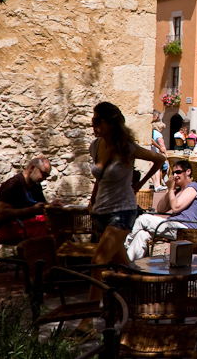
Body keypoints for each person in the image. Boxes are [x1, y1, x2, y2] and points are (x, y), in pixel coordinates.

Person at [75, 102, 164, 339]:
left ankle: (87, 323)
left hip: (123, 211)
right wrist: (92, 200)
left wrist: (139, 185)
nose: (93, 125)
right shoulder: (95, 146)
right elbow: (99, 177)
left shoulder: (128, 148)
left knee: (98, 261)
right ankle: (149, 300)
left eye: (97, 121)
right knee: (126, 266)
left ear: (110, 123)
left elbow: (159, 159)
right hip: (102, 212)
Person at [124, 160, 197, 261]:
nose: (175, 175)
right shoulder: (179, 191)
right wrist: (170, 189)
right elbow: (161, 208)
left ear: (188, 172)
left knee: (143, 219)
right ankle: (129, 264)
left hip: (185, 228)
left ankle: (124, 247)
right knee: (141, 234)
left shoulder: (193, 187)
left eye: (178, 172)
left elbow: (176, 207)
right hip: (173, 226)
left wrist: (171, 190)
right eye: (173, 173)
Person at [0, 157, 63, 241]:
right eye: (43, 174)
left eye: (46, 176)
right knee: (54, 231)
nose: (44, 178)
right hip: (7, 227)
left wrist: (51, 206)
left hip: (26, 223)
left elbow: (41, 206)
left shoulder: (35, 185)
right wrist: (32, 210)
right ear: (32, 168)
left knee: (61, 224)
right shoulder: (14, 185)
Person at [150, 121, 168, 192]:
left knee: (152, 167)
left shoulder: (152, 133)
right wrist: (164, 152)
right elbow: (162, 146)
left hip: (151, 153)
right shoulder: (158, 134)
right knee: (160, 166)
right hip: (155, 154)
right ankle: (159, 183)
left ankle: (156, 184)